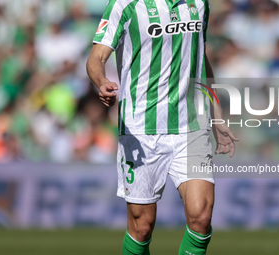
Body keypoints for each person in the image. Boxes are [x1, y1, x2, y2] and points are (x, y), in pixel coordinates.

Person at [86, 0, 238, 254]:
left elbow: (199, 57)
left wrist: (215, 111)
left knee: (201, 216)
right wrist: (101, 81)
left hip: (191, 125)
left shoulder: (199, 3)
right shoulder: (126, 5)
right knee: (142, 226)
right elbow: (96, 57)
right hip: (141, 129)